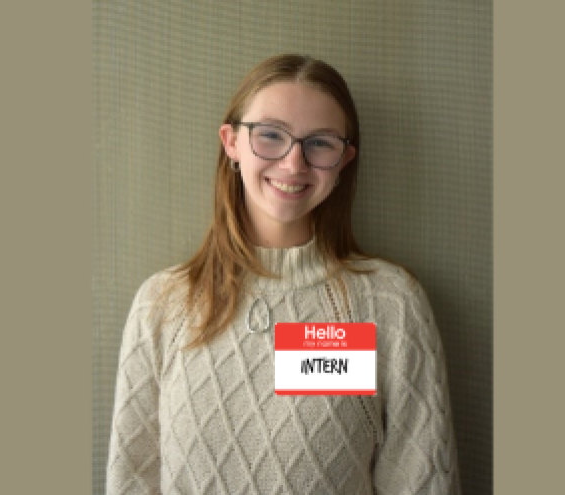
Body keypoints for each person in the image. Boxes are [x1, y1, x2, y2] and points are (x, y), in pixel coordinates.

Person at [106, 54, 460, 494]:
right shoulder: (162, 305)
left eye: (320, 143)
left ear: (344, 159)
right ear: (231, 142)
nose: (294, 164)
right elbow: (132, 480)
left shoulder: (390, 305)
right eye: (271, 135)